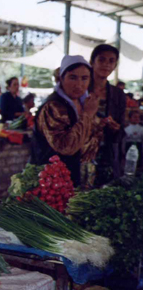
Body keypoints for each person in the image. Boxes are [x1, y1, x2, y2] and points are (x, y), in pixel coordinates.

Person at [30, 55, 106, 187]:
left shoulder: (83, 102)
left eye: (84, 78)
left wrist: (99, 125)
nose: (79, 85)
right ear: (61, 78)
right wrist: (87, 115)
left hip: (74, 177)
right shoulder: (53, 106)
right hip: (51, 182)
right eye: (72, 77)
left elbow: (87, 142)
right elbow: (66, 147)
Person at [88, 44, 124, 183]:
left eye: (111, 61)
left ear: (115, 66)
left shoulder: (118, 94)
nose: (106, 65)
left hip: (106, 153)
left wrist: (116, 128)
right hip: (81, 151)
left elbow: (121, 127)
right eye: (101, 60)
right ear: (92, 62)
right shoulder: (81, 89)